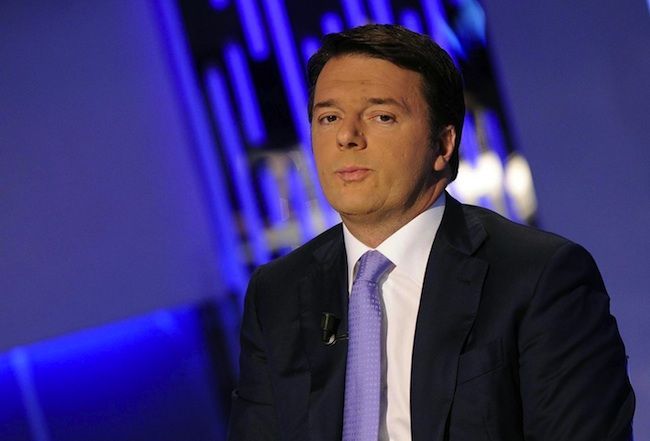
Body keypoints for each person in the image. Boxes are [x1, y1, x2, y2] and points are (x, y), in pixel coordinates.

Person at [227, 24, 634, 441]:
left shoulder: (538, 278)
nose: (346, 137)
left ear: (443, 145)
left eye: (381, 117)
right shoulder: (277, 293)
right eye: (329, 118)